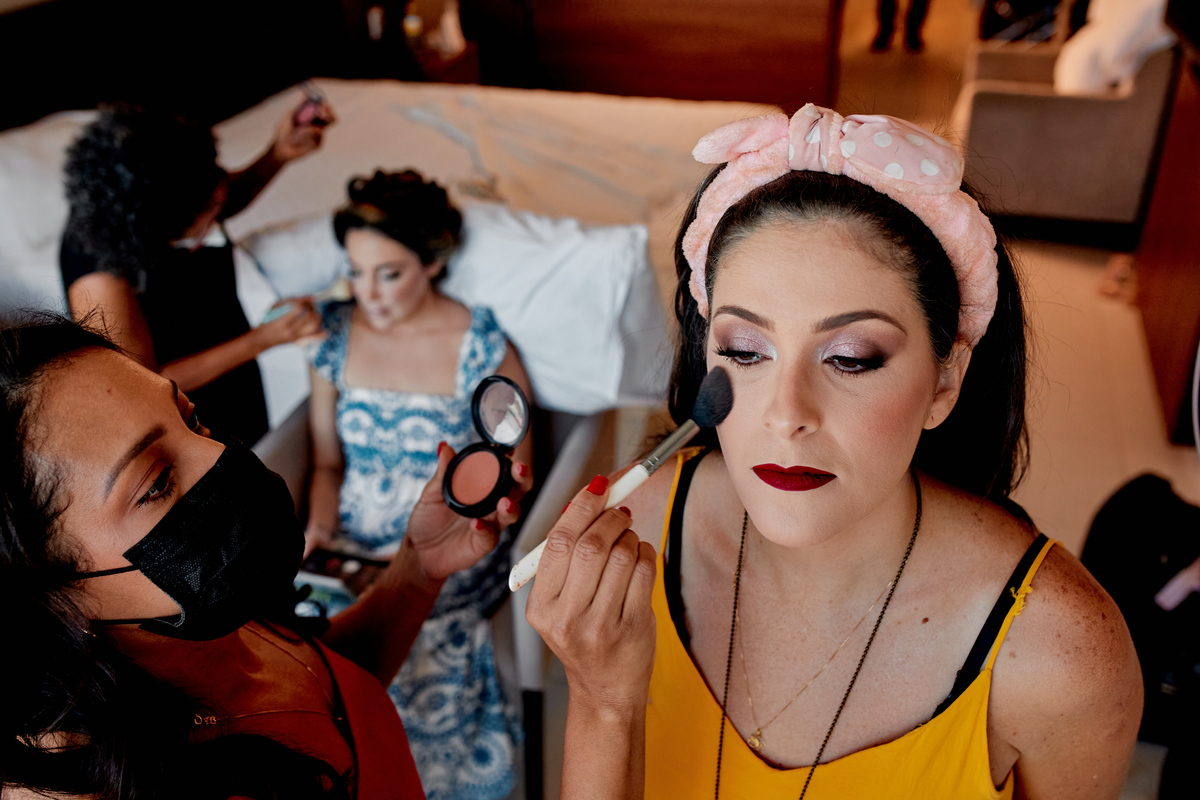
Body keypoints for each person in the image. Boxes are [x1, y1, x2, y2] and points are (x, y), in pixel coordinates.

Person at [532, 104, 1143, 799]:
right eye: (744, 351)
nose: (785, 416)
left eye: (850, 359)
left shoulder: (1061, 655)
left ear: (946, 380)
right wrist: (601, 700)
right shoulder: (635, 535)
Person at [0, 312, 648, 800]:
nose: (223, 459)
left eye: (192, 419)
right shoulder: (106, 783)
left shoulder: (191, 615)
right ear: (44, 586)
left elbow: (321, 695)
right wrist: (604, 703)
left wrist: (416, 571)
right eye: (156, 483)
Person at [305, 170, 534, 800]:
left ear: (433, 261)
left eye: (389, 273)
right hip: (348, 552)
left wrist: (466, 525)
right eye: (356, 272)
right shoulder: (335, 337)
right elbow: (328, 464)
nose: (368, 293)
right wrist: (318, 528)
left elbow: (512, 473)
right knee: (312, 637)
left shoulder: (480, 344)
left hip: (449, 543)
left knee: (420, 628)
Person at [59, 99, 333, 445]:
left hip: (230, 358)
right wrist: (262, 339)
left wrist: (278, 153)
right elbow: (146, 381)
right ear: (160, 232)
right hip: (188, 414)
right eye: (212, 210)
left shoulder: (154, 184)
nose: (222, 202)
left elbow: (211, 194)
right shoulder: (99, 278)